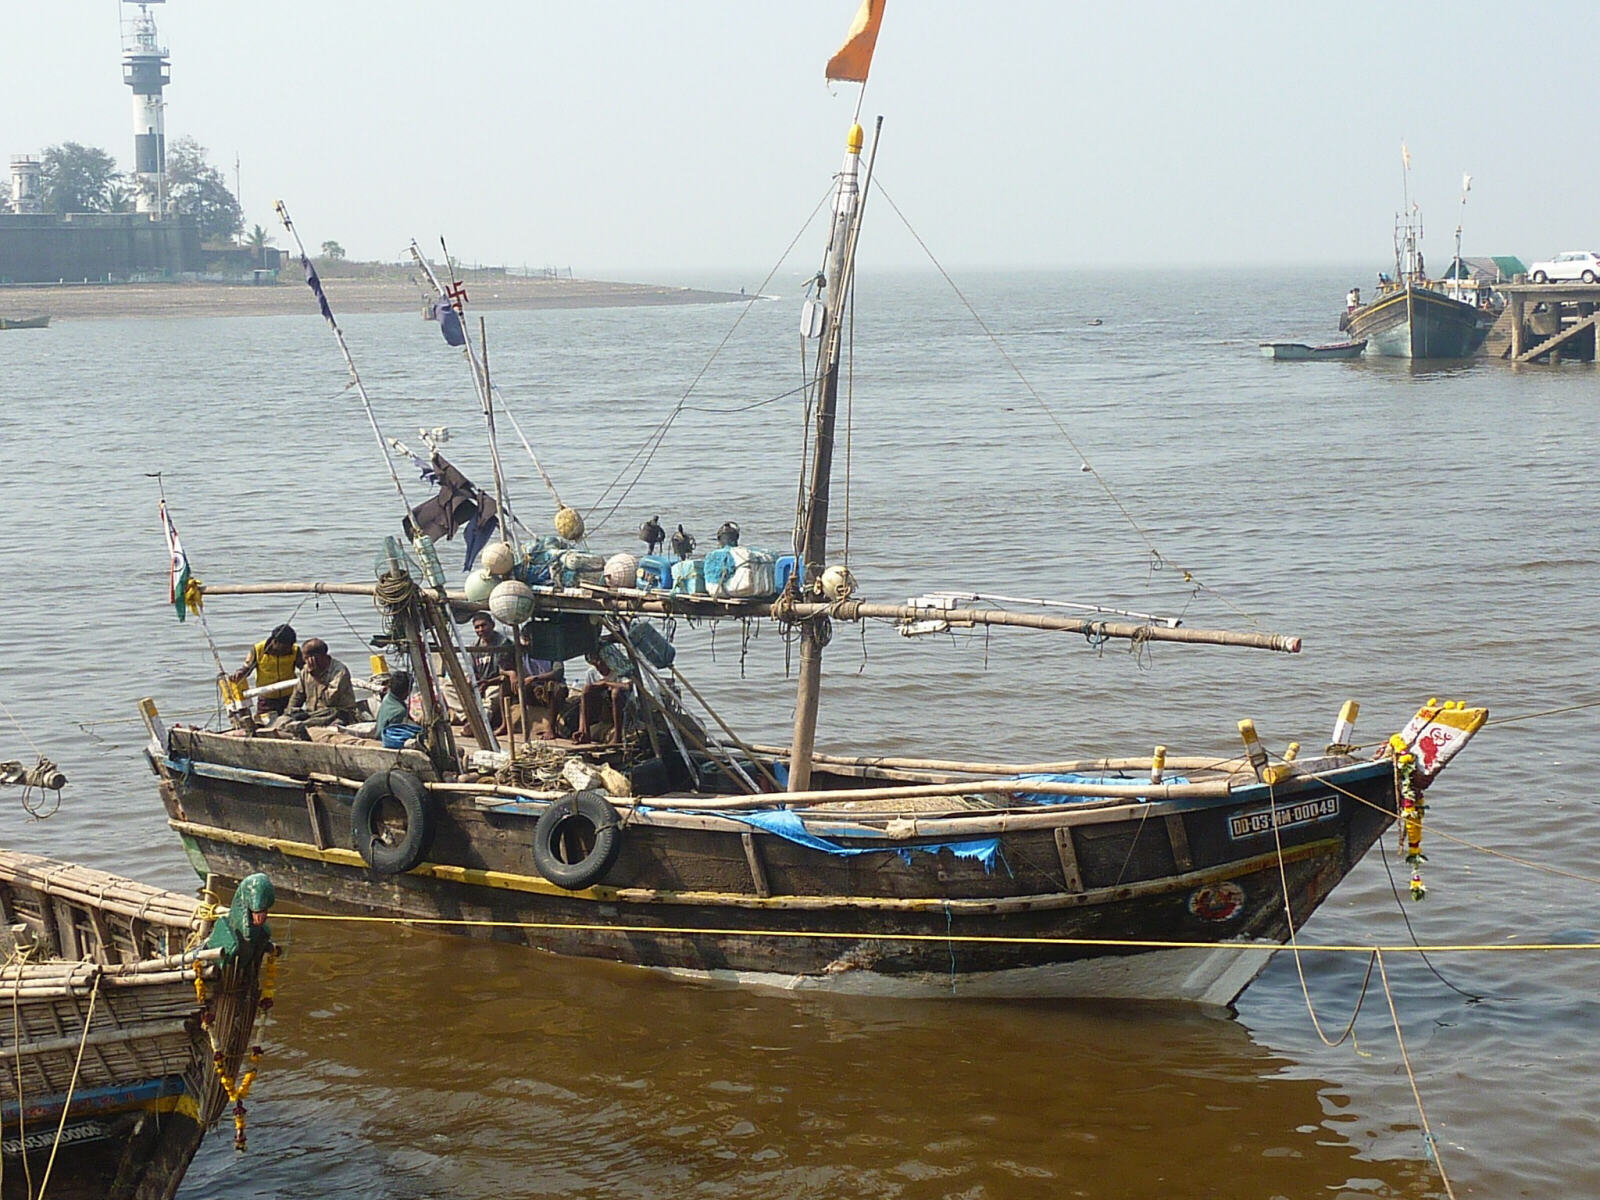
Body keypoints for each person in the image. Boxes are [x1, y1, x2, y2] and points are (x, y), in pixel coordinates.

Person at [275, 638, 362, 734]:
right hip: (314, 714)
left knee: (329, 719)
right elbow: (297, 696)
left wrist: (317, 677)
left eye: (307, 658)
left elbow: (329, 700)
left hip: (338, 713)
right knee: (284, 720)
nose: (306, 662)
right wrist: (288, 713)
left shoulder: (339, 671)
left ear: (316, 657)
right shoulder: (305, 671)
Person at [229, 624, 301, 717]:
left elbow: (304, 668)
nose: (287, 649)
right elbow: (247, 668)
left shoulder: (295, 650)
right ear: (275, 642)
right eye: (285, 647)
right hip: (266, 699)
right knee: (264, 724)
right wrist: (240, 674)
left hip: (289, 696)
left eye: (290, 646)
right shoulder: (258, 650)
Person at [375, 670, 413, 740]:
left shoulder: (387, 697)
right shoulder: (400, 711)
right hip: (384, 740)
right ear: (407, 691)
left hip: (379, 734)